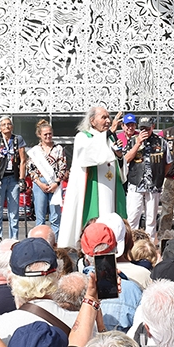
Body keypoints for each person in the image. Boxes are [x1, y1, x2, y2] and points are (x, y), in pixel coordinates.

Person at [58, 106, 126, 248]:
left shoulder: (110, 137)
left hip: (112, 188)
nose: (108, 121)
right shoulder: (83, 137)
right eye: (103, 117)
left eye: (109, 117)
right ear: (92, 121)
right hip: (92, 188)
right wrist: (109, 133)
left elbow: (120, 166)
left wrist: (119, 157)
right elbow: (88, 156)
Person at [124, 117, 170, 239]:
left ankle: (150, 244)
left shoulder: (161, 142)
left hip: (153, 185)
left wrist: (160, 175)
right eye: (142, 128)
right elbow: (126, 159)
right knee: (133, 216)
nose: (145, 131)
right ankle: (132, 243)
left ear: (153, 127)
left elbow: (168, 162)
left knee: (151, 219)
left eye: (147, 128)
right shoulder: (132, 141)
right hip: (136, 183)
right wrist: (138, 143)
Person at [27, 119, 68, 237]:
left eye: (50, 133)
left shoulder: (58, 149)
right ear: (39, 135)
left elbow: (63, 167)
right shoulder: (35, 150)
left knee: (55, 217)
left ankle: (56, 242)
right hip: (40, 184)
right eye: (45, 134)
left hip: (55, 183)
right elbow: (31, 169)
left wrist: (56, 183)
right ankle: (40, 241)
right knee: (40, 217)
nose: (48, 136)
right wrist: (39, 183)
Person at [0, 115, 27, 239]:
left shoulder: (18, 139)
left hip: (13, 178)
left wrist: (22, 178)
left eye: (9, 124)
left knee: (13, 212)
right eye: (4, 124)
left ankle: (13, 240)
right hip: (1, 177)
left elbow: (23, 160)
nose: (7, 126)